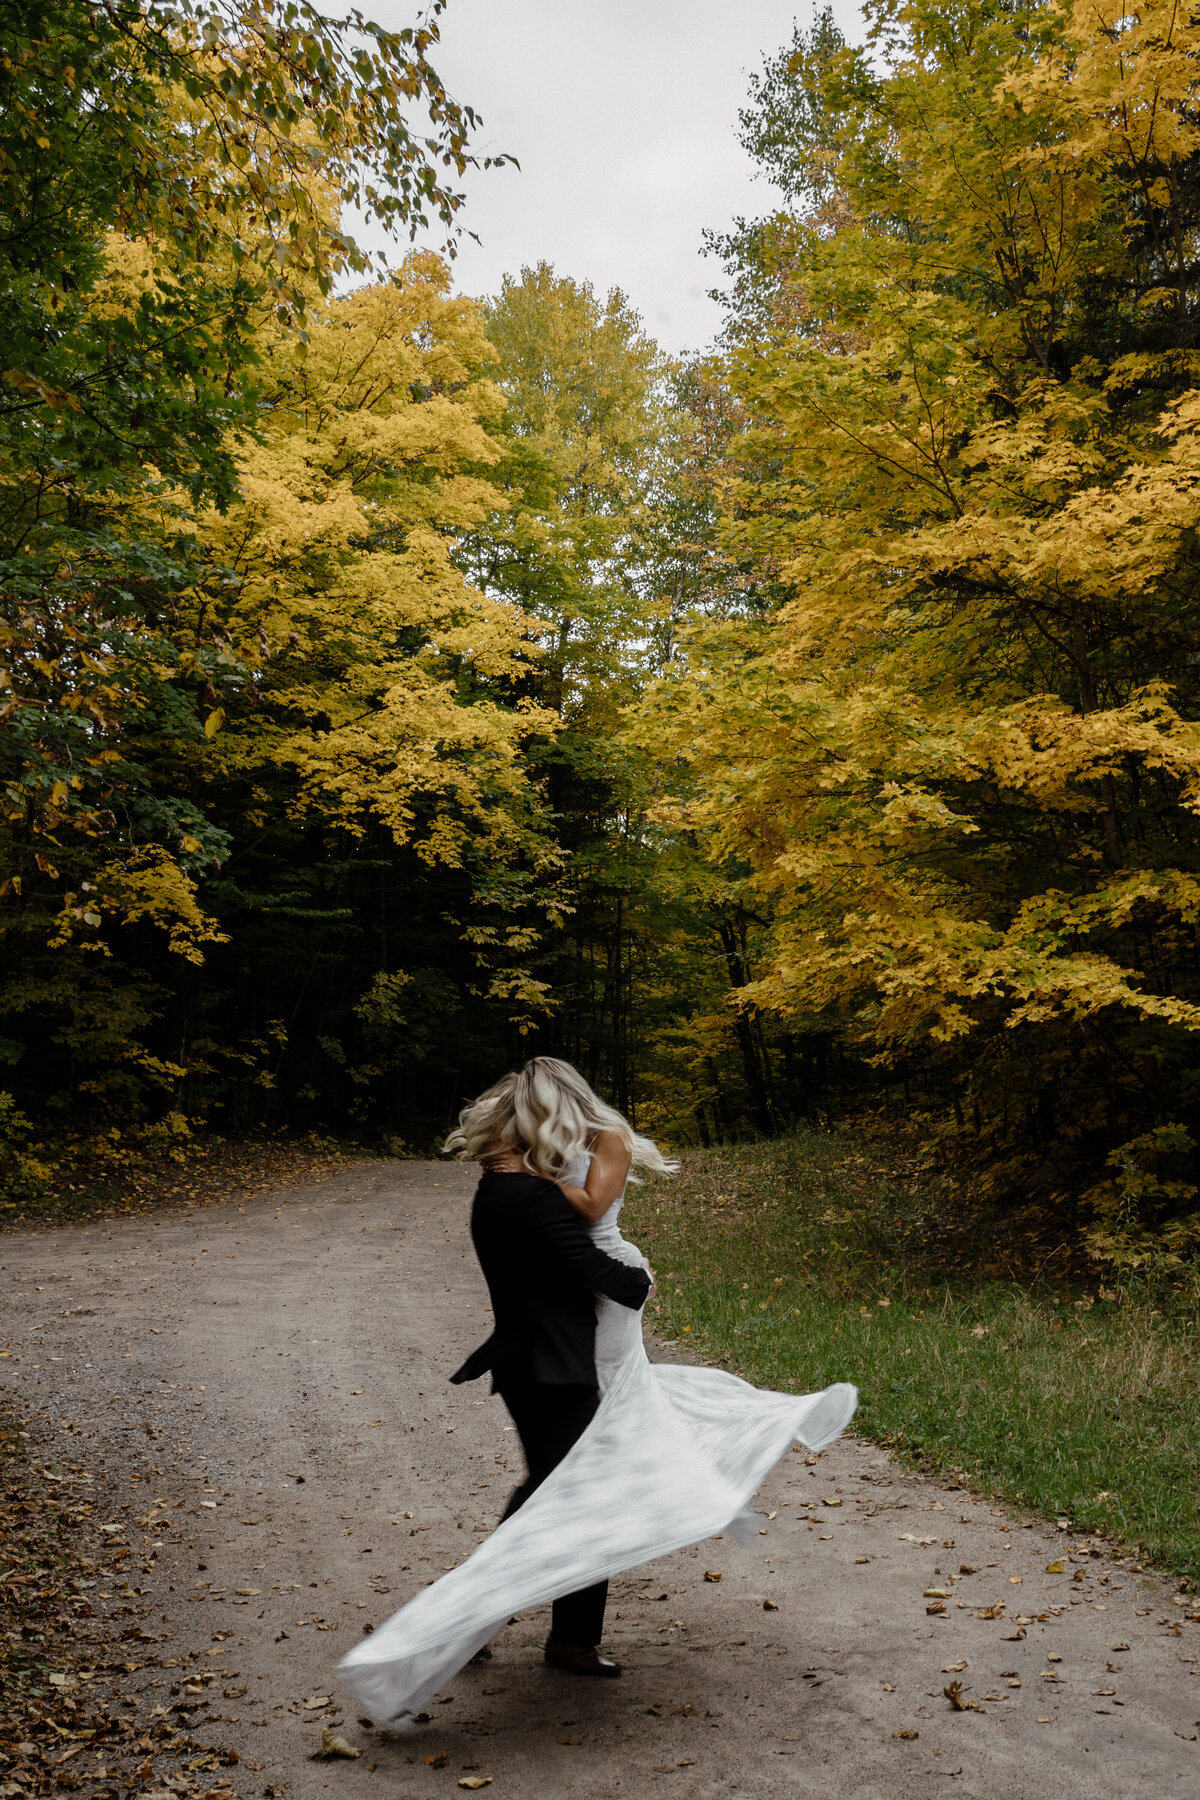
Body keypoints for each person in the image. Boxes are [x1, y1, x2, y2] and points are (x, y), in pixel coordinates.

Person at [337, 1057, 857, 1728]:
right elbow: (591, 1266)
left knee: (575, 1491)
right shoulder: (525, 1196)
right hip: (550, 1366)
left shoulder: (511, 1188)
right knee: (567, 1495)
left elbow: (576, 1245)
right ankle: (472, 1621)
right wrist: (640, 1285)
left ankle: (554, 1634)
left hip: (550, 1359)